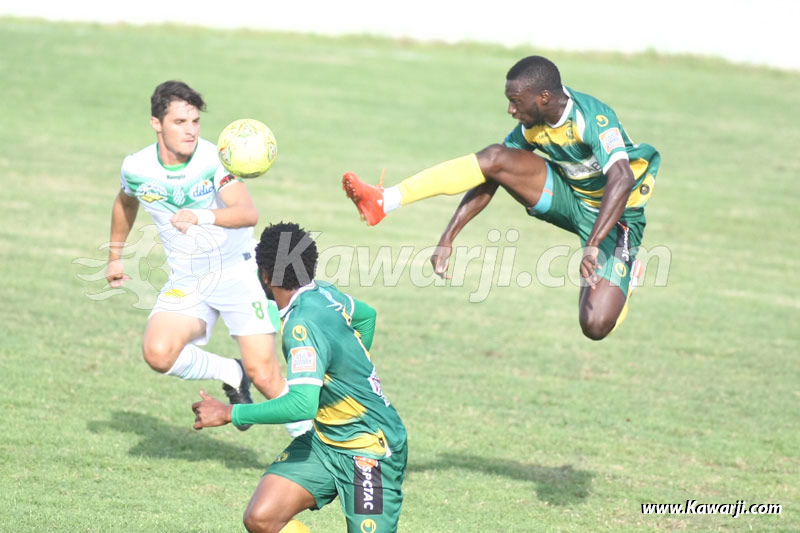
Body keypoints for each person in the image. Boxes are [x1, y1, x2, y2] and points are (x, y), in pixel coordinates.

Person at [342, 55, 661, 340]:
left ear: (544, 97)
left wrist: (593, 244)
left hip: (615, 218)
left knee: (594, 325)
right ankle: (385, 200)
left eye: (516, 101)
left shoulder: (591, 118)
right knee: (496, 157)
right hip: (569, 198)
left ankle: (628, 271)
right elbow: (490, 175)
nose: (510, 110)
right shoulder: (532, 127)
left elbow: (622, 179)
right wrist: (448, 237)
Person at [192, 222, 408, 533]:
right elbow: (366, 316)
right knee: (262, 518)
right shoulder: (324, 293)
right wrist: (346, 367)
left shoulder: (301, 325)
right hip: (324, 443)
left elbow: (302, 406)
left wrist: (229, 412)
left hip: (369, 450)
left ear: (265, 275)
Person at [106, 81, 286, 427]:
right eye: (179, 122)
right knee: (158, 352)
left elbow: (247, 213)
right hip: (189, 279)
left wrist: (202, 216)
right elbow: (125, 202)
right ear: (156, 123)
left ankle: (323, 446)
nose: (190, 131)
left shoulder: (215, 161)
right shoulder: (137, 168)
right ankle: (230, 371)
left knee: (265, 377)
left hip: (239, 273)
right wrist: (115, 255)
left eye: (195, 122)